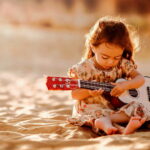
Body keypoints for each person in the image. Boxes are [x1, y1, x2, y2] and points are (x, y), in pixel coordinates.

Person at [67, 16, 149, 135]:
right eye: (105, 57)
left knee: (142, 109)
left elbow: (140, 79)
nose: (111, 62)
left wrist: (126, 85)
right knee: (93, 112)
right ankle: (114, 127)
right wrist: (89, 92)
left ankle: (107, 122)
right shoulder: (83, 68)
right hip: (92, 107)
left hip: (116, 110)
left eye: (116, 57)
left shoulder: (122, 64)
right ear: (93, 46)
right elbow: (74, 94)